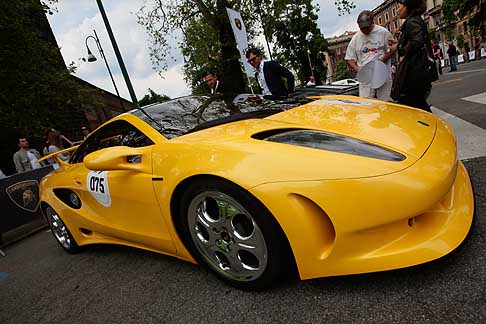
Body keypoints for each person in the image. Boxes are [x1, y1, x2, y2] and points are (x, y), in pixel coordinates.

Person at [345, 10, 397, 101]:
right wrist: (357, 68)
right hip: (366, 76)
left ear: (372, 22)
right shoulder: (356, 38)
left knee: (385, 102)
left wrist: (382, 60)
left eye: (367, 28)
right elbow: (350, 58)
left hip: (382, 73)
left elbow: (392, 49)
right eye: (362, 29)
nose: (365, 31)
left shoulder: (383, 32)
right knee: (366, 104)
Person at [390, 0, 432, 112]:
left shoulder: (412, 22)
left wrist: (398, 47)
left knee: (415, 106)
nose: (397, 11)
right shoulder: (413, 21)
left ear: (407, 6)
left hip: (415, 71)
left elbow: (416, 43)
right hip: (417, 70)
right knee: (416, 106)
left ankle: (434, 128)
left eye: (398, 7)